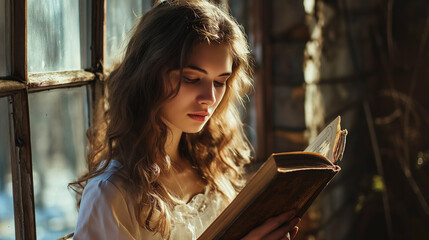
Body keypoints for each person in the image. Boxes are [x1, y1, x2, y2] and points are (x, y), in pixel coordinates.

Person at [69, 0, 300, 239]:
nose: (210, 98)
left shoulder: (210, 166)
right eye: (191, 78)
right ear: (148, 76)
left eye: (220, 82)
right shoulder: (111, 194)